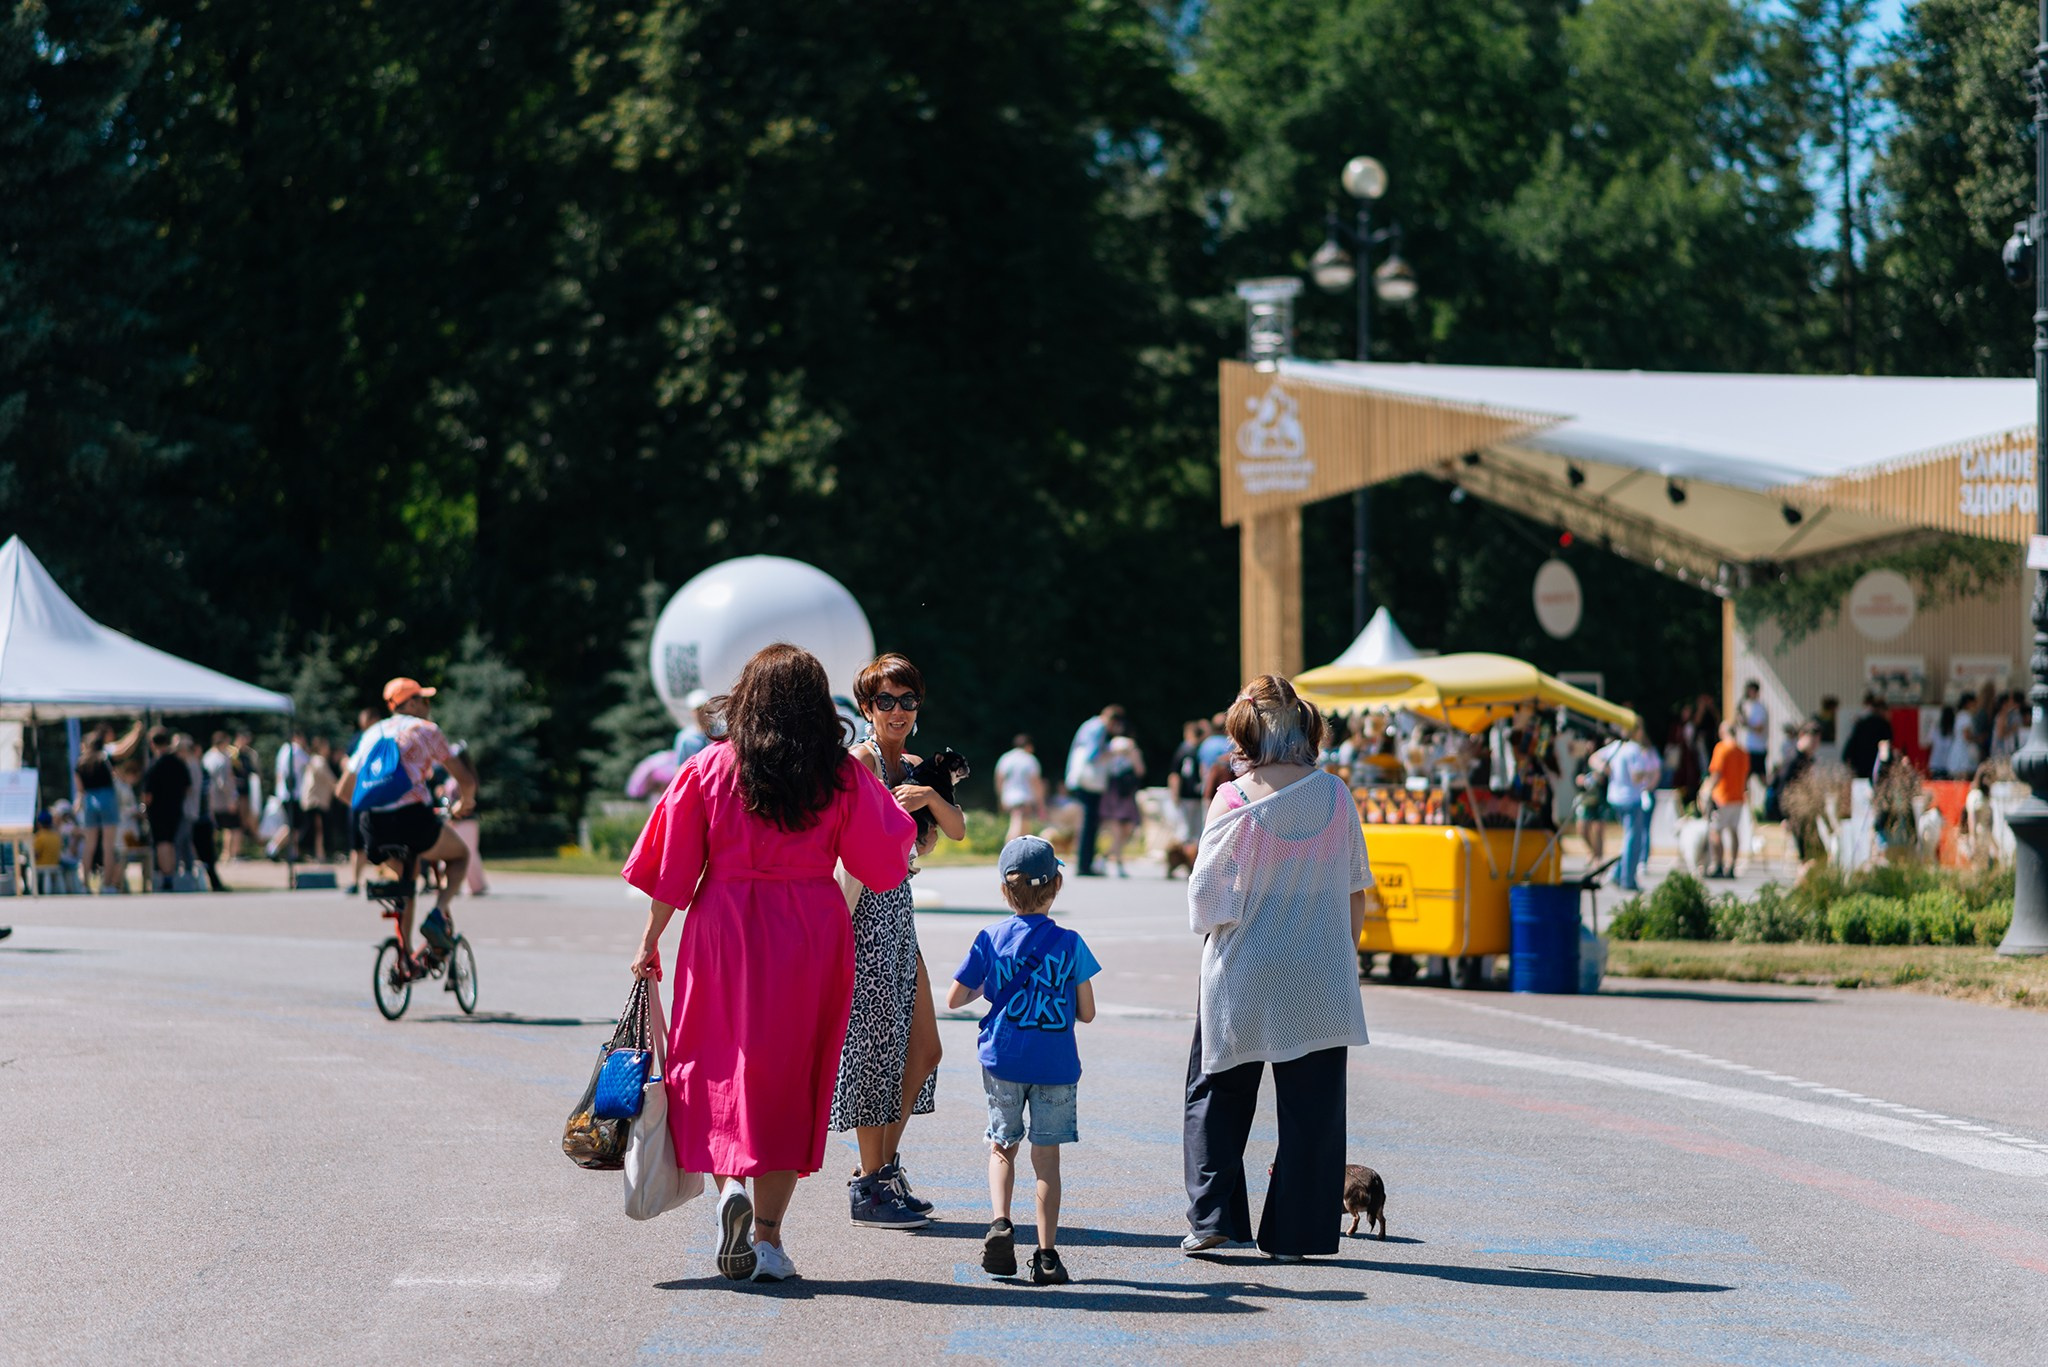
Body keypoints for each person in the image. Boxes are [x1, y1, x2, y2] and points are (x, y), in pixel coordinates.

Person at [624, 643, 917, 1284]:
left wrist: (650, 941)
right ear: (818, 705)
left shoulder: (710, 766)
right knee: (791, 1076)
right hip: (808, 929)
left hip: (721, 925)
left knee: (719, 1061)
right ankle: (768, 1238)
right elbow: (882, 864)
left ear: (747, 698)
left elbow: (671, 868)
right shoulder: (839, 775)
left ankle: (730, 1184)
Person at [1182, 674, 1372, 1262]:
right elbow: (1355, 889)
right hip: (1318, 969)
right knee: (1313, 1108)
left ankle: (1216, 1218)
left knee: (1216, 1091)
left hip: (1243, 969)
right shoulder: (1335, 796)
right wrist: (1340, 952)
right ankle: (1296, 1234)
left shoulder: (1232, 800)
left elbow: (1206, 902)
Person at [830, 653, 964, 1229]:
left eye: (908, 701)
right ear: (866, 707)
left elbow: (952, 831)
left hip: (898, 911)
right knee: (876, 1049)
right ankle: (870, 1181)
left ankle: (880, 1171)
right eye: (886, 701)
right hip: (863, 912)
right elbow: (852, 842)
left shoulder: (911, 766)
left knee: (924, 1050)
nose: (898, 711)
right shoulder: (859, 761)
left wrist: (930, 798)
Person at [947, 836, 1099, 1286]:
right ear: (1057, 885)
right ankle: (1048, 1255)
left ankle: (1000, 1222)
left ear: (1003, 891)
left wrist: (990, 986)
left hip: (1005, 1060)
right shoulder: (1070, 943)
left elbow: (955, 998)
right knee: (1046, 1161)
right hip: (1054, 1065)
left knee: (1002, 1145)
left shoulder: (991, 938)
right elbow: (1086, 1012)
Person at [337, 678, 479, 977]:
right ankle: (439, 914)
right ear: (410, 703)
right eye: (424, 700)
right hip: (413, 820)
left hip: (372, 826)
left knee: (407, 878)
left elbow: (343, 791)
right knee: (460, 855)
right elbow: (465, 779)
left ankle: (404, 957)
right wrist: (465, 803)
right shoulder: (426, 730)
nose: (428, 707)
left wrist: (374, 809)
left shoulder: (372, 733)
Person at [1063, 704, 1124, 877]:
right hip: (1089, 782)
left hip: (1080, 779)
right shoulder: (1098, 728)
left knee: (1087, 821)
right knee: (1090, 823)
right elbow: (1093, 755)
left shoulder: (1089, 725)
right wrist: (1113, 751)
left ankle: (1084, 862)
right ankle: (1085, 864)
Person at [1607, 724, 1661, 892]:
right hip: (1631, 798)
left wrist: (1609, 771)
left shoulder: (1616, 746)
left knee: (1628, 838)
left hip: (1615, 796)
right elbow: (1636, 777)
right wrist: (1648, 773)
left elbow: (1594, 758)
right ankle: (1627, 879)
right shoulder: (1634, 749)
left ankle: (1618, 873)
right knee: (1633, 840)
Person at [74, 729, 126, 894]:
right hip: (107, 798)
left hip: (89, 800)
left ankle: (85, 885)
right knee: (108, 846)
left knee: (89, 846)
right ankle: (107, 885)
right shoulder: (105, 758)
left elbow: (80, 789)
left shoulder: (80, 763)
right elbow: (124, 750)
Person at [140, 727, 191, 892]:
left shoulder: (154, 765)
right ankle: (172, 873)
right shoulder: (178, 763)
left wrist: (145, 808)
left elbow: (148, 794)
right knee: (171, 842)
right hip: (176, 808)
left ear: (152, 743)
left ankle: (167, 876)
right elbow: (188, 787)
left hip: (158, 810)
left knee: (162, 843)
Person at [1704, 720, 1749, 879]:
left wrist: (1706, 791)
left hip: (1722, 797)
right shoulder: (1742, 751)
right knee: (1733, 831)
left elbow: (1716, 774)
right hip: (1737, 796)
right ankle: (1732, 865)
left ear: (1723, 732)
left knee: (1716, 831)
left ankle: (1718, 864)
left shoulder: (1721, 749)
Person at [1099, 734, 1145, 877]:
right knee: (1117, 831)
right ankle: (1119, 864)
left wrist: (1133, 755)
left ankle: (1104, 857)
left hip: (1127, 795)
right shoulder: (1110, 757)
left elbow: (1140, 772)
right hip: (1114, 795)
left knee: (1128, 830)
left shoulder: (1132, 757)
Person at [994, 734, 1045, 845]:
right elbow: (1035, 782)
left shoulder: (1005, 758)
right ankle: (1009, 849)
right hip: (1024, 796)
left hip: (1008, 796)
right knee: (1018, 824)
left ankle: (1023, 853)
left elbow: (999, 779)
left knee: (1025, 827)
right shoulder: (1029, 759)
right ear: (1028, 746)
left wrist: (1000, 797)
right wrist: (1040, 802)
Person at [203, 733, 243, 861]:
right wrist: (232, 798)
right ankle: (229, 854)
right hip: (223, 799)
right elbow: (224, 782)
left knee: (213, 828)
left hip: (210, 799)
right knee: (232, 827)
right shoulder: (221, 759)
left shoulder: (207, 756)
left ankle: (211, 853)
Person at [1169, 720, 1209, 843]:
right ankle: (1191, 857)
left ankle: (1182, 856)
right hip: (1196, 793)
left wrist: (1174, 793)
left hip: (1185, 794)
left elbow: (1175, 775)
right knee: (1197, 830)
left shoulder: (1182, 750)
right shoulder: (1201, 750)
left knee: (1184, 829)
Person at [298, 737, 338, 861]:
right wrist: (341, 788)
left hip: (315, 800)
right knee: (316, 829)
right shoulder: (319, 761)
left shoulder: (315, 760)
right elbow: (329, 779)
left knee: (316, 829)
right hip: (315, 801)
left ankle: (319, 854)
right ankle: (316, 853)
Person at [274, 730, 310, 860]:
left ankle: (294, 853)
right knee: (294, 826)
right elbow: (309, 761)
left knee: (293, 826)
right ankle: (273, 848)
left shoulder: (283, 750)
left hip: (283, 792)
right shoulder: (296, 750)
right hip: (293, 794)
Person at [1841, 692, 1892, 782]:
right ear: (1881, 710)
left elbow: (1847, 752)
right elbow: (1885, 751)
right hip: (1875, 772)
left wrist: (1852, 767)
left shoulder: (1860, 724)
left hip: (1859, 771)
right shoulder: (1884, 726)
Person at [1736, 681, 1769, 798]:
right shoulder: (1748, 706)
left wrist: (1746, 723)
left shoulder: (1760, 708)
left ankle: (1772, 797)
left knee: (1762, 779)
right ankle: (1746, 804)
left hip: (1757, 748)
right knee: (1745, 778)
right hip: (1749, 748)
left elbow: (1759, 728)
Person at [674, 688, 716, 762]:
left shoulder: (721, 731)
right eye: (699, 710)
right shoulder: (686, 738)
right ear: (692, 712)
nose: (703, 712)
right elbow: (680, 766)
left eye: (706, 708)